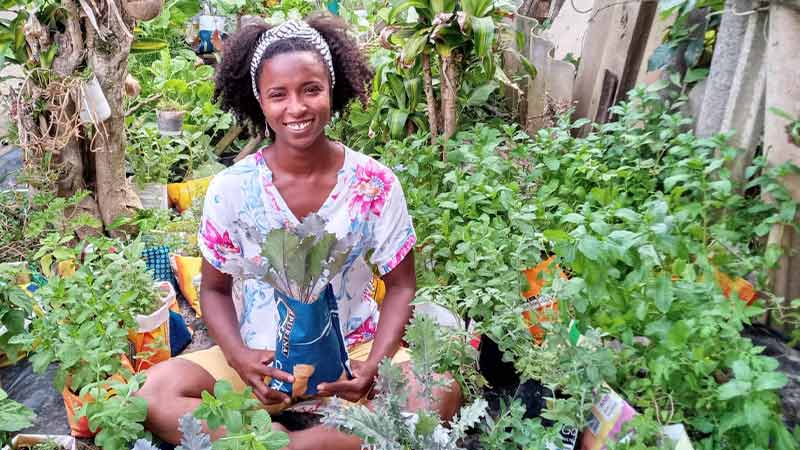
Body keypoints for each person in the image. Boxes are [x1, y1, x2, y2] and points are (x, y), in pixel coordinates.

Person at [137, 15, 462, 450]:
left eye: (311, 89)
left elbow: (401, 286)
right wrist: (240, 359)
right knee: (152, 394)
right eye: (279, 95)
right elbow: (214, 291)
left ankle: (294, 444)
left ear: (332, 88)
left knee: (439, 389)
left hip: (355, 354)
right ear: (259, 100)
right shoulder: (233, 189)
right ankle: (322, 439)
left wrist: (375, 366)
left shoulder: (374, 183)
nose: (296, 108)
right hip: (262, 360)